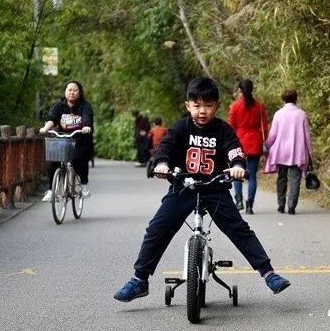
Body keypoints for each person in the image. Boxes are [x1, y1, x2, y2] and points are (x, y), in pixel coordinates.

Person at [113, 77, 290, 302]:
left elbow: (234, 150)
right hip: (184, 186)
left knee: (239, 229)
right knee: (158, 228)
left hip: (214, 188)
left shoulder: (223, 130)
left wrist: (237, 166)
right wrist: (162, 163)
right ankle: (139, 280)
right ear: (188, 106)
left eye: (208, 105)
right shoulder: (182, 126)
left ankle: (268, 274)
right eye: (196, 106)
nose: (202, 111)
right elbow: (166, 146)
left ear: (216, 106)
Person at [39, 81, 94, 201]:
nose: (72, 93)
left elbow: (87, 119)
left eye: (75, 90)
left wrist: (86, 127)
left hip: (80, 138)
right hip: (62, 138)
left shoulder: (85, 106)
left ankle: (84, 185)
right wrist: (45, 128)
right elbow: (52, 119)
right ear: (65, 91)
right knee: (54, 160)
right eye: (69, 90)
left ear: (80, 92)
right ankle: (50, 191)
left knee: (79, 159)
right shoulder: (59, 105)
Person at [263, 88, 311, 215]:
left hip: (281, 152)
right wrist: (309, 152)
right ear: (296, 98)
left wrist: (266, 146)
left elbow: (273, 134)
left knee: (282, 178)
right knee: (295, 179)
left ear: (283, 99)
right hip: (297, 151)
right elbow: (307, 136)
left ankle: (281, 204)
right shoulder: (302, 114)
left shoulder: (279, 114)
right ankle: (291, 207)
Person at [227, 78, 268, 214]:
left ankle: (238, 200)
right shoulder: (260, 106)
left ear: (239, 90)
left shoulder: (234, 106)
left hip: (239, 143)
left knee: (237, 172)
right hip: (255, 143)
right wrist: (264, 141)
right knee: (252, 176)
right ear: (252, 89)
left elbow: (230, 126)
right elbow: (264, 128)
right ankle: (250, 205)